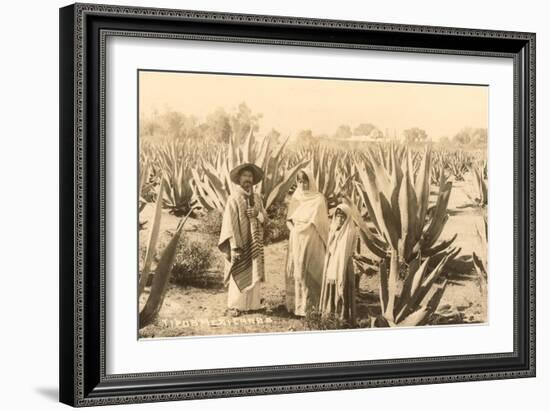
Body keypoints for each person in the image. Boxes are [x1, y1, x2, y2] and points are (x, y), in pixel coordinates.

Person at [218, 163, 267, 316]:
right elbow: (230, 224)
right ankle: (236, 305)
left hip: (255, 242)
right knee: (239, 270)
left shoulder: (257, 198)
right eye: (245, 176)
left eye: (250, 176)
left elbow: (265, 219)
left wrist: (257, 214)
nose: (248, 179)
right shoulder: (234, 198)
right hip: (239, 243)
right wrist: (235, 246)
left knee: (254, 270)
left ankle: (253, 305)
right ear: (239, 179)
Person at [285, 169, 330, 317]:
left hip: (312, 239)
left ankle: (311, 307)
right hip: (297, 239)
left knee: (311, 271)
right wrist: (293, 231)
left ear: (310, 181)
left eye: (305, 181)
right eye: (299, 181)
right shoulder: (296, 197)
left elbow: (323, 224)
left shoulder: (318, 199)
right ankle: (298, 307)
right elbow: (288, 220)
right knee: (298, 271)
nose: (302, 184)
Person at [319, 203, 358, 325]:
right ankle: (330, 317)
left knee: (344, 289)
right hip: (333, 264)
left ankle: (343, 318)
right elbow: (330, 248)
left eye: (343, 217)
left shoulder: (351, 231)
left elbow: (348, 252)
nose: (340, 220)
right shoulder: (333, 230)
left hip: (344, 266)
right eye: (338, 216)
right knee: (332, 288)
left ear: (347, 218)